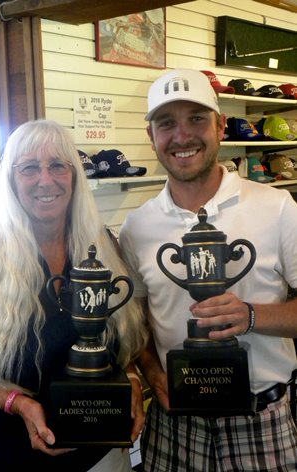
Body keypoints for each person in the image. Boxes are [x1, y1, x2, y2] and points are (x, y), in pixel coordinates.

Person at [0, 119, 148, 472]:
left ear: (74, 177)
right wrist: (16, 402)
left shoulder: (104, 245)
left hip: (96, 454)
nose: (45, 180)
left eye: (57, 165)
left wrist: (129, 380)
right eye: (29, 168)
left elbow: (114, 340)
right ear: (11, 180)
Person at [119, 68, 297, 471]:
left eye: (196, 119)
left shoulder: (277, 207)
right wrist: (148, 369)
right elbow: (137, 323)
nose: (182, 136)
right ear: (152, 137)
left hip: (260, 421)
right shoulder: (138, 227)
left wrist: (252, 315)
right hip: (174, 425)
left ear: (219, 127)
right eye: (167, 123)